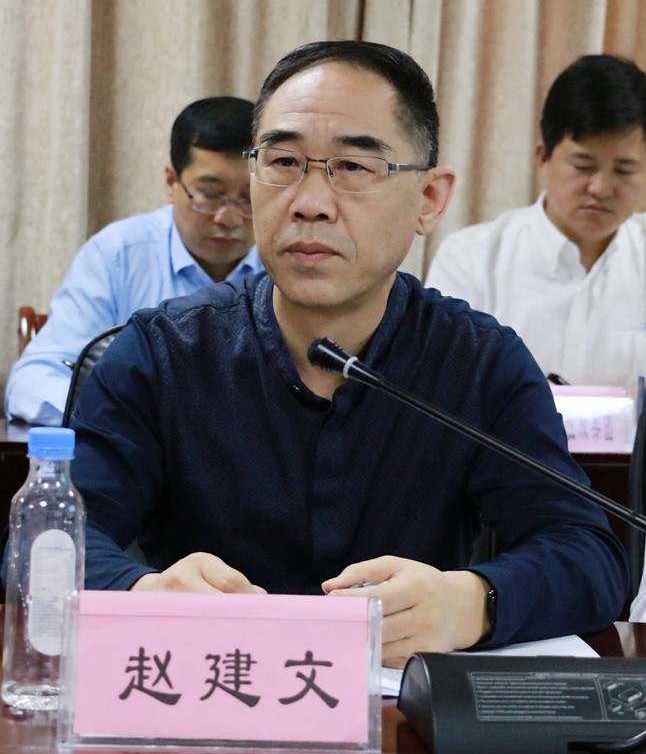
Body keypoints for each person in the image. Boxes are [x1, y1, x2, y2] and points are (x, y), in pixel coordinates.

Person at [64, 41, 627, 666]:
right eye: (283, 161)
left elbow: (590, 556)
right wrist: (144, 593)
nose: (310, 201)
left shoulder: (479, 362)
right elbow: (50, 543)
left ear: (429, 199)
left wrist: (471, 601)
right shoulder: (161, 352)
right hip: (209, 690)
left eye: (355, 167)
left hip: (400, 709)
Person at [4, 96, 264, 425]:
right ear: (171, 182)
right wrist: (118, 417)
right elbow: (33, 380)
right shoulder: (119, 255)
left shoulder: (291, 264)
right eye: (210, 195)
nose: (229, 218)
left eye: (249, 198)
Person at [426, 54, 646, 394]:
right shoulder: (471, 260)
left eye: (624, 170)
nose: (601, 188)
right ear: (543, 157)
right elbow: (443, 388)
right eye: (584, 165)